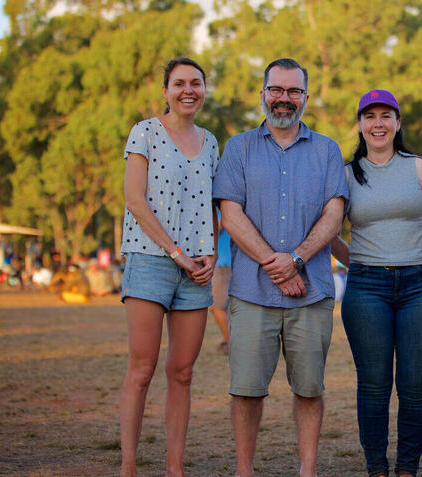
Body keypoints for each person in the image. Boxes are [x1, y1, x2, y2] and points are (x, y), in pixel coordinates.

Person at [212, 58, 348, 477]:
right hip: (251, 294)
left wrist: (297, 260)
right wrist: (276, 265)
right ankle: (244, 470)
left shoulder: (326, 150)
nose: (284, 98)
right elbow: (230, 214)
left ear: (305, 98)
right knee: (247, 390)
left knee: (309, 389)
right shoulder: (238, 148)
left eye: (293, 91)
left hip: (312, 295)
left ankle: (307, 469)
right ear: (263, 94)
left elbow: (334, 213)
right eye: (277, 89)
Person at [330, 89, 422, 477]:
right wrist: (360, 263)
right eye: (370, 117)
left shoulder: (417, 166)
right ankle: (377, 468)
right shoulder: (346, 175)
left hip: (420, 287)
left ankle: (407, 469)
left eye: (386, 116)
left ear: (397, 123)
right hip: (366, 289)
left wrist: (419, 253)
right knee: (374, 386)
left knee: (415, 386)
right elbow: (330, 231)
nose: (377, 124)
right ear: (361, 125)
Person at [117, 57, 219, 477]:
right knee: (142, 370)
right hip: (150, 261)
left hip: (197, 270)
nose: (188, 90)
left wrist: (210, 251)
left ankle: (174, 468)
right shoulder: (144, 133)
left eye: (195, 83)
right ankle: (128, 466)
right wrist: (176, 252)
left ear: (203, 90)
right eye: (179, 83)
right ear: (165, 91)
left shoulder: (212, 142)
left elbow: (215, 204)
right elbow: (135, 201)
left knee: (182, 372)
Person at [211, 212, 232, 354]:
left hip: (221, 264)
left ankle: (231, 344)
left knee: (216, 307)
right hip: (223, 263)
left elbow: (214, 230)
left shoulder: (220, 210)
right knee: (223, 308)